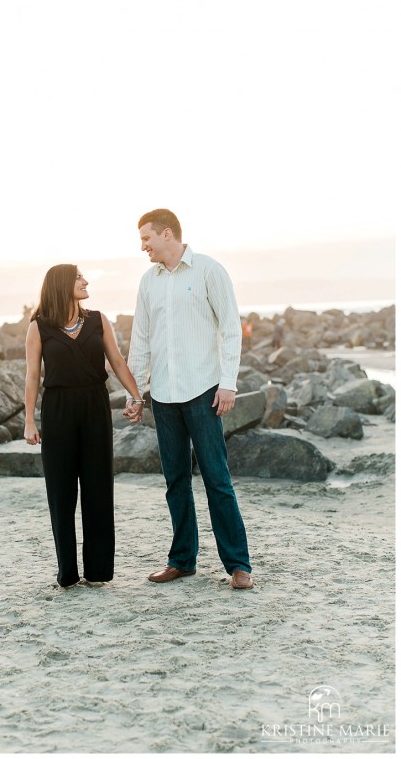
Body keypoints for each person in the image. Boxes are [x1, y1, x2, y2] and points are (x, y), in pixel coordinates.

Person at [124, 209, 253, 590]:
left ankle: (238, 565)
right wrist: (135, 393)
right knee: (175, 480)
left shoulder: (209, 270)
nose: (142, 246)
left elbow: (231, 329)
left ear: (168, 234)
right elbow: (141, 339)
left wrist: (228, 383)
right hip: (163, 396)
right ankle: (182, 560)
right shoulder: (148, 282)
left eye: (146, 238)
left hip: (204, 392)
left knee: (217, 478)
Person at [24, 264, 144, 590]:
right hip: (58, 410)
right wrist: (29, 420)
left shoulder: (97, 320)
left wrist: (137, 397)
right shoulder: (39, 327)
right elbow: (33, 376)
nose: (86, 281)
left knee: (98, 489)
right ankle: (67, 573)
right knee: (61, 493)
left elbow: (117, 362)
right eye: (79, 277)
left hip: (95, 406)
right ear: (62, 284)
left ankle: (98, 571)